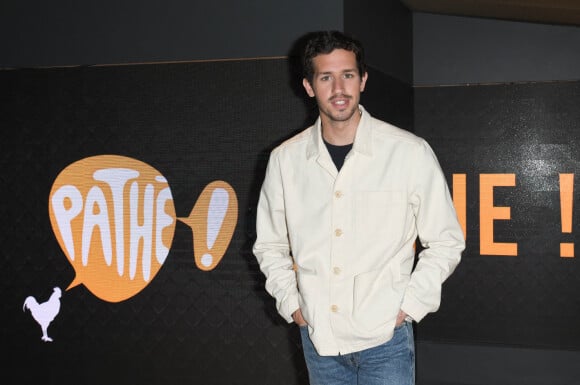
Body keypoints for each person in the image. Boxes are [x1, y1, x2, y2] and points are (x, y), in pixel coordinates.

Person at [253, 30, 464, 385]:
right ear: (308, 86)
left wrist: (408, 307)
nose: (339, 88)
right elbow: (269, 246)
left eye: (347, 75)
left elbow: (446, 241)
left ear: (363, 80)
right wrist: (294, 305)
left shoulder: (408, 152)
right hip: (319, 340)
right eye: (326, 77)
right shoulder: (285, 161)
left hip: (385, 342)